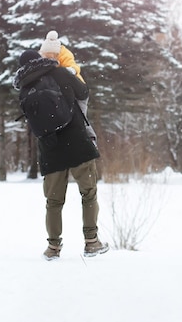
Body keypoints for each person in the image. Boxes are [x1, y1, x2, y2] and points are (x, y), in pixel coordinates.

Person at [13, 49, 109, 260]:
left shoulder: (24, 89)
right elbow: (83, 92)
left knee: (54, 202)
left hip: (50, 149)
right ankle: (92, 242)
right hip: (77, 142)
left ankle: (53, 248)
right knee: (89, 194)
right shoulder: (60, 73)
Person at [39, 30, 97, 143]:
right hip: (64, 91)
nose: (50, 59)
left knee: (81, 117)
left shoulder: (65, 54)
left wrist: (69, 71)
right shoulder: (42, 57)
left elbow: (74, 66)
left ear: (57, 53)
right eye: (47, 56)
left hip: (79, 90)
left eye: (53, 56)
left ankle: (91, 139)